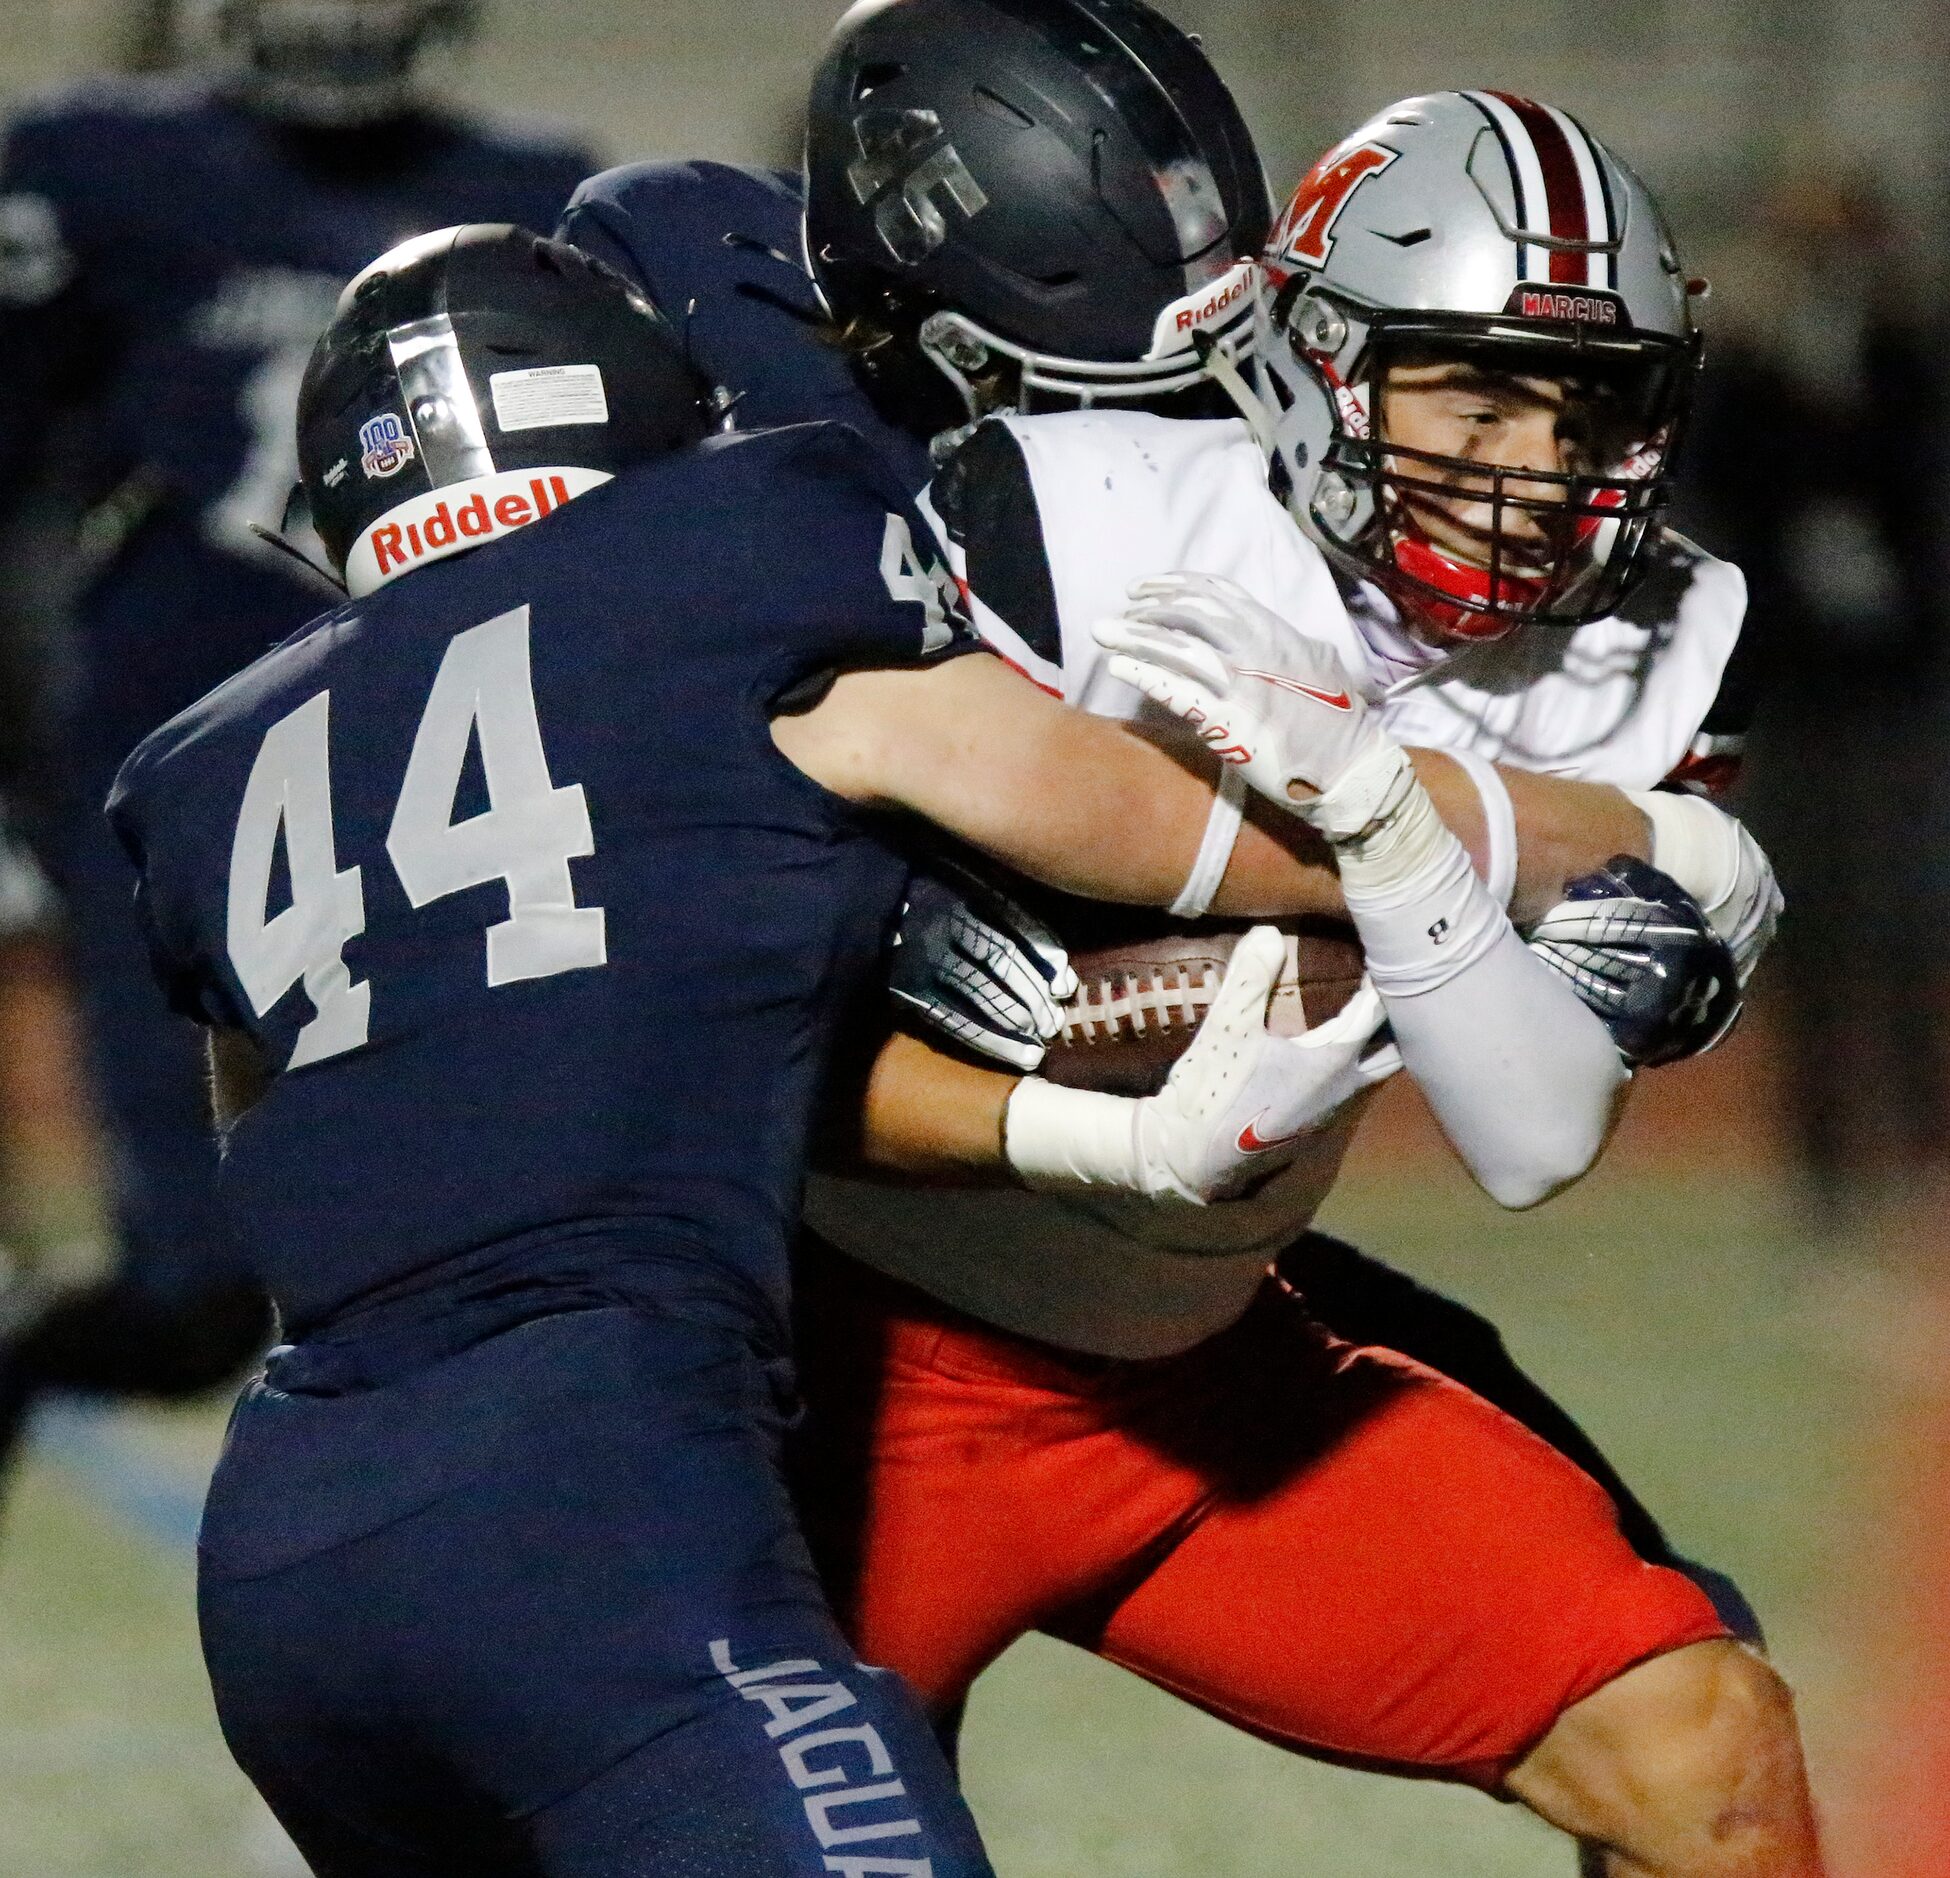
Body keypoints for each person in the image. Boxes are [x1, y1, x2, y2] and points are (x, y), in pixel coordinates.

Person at [566, 13, 1818, 1872]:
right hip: (842, 1360)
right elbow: (701, 943)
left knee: (1704, 1755)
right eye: (1471, 393)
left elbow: (1534, 1123)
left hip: (1202, 1366)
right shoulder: (1072, 514)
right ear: (1316, 370)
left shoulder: (1637, 643)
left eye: (1582, 407)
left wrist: (1505, 830)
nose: (1531, 463)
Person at [107, 221, 1445, 1875]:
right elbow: (1099, 820)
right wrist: (1440, 856)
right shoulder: (720, 562)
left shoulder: (205, 766)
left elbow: (282, 1138)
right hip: (588, 1491)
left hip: (285, 1552)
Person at [0, 0, 597, 1464]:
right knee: (202, 1283)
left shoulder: (533, 198)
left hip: (439, 764)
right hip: (170, 771)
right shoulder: (101, 171)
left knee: (490, 1236)